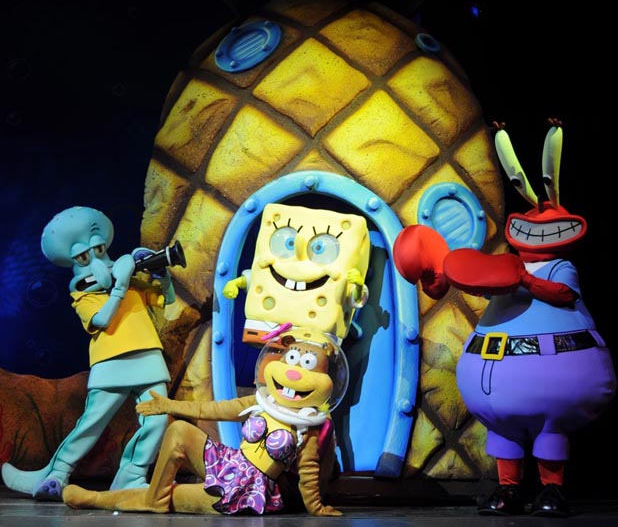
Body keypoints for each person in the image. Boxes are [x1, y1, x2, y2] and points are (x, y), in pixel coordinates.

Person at [394, 121, 617, 517]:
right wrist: (450, 272)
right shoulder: (507, 267)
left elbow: (563, 295)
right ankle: (509, 489)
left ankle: (551, 489)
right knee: (503, 435)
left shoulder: (559, 268)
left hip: (554, 373)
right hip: (494, 375)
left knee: (550, 434)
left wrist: (523, 279)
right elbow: (482, 282)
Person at [62, 326, 348, 516]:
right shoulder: (260, 403)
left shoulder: (308, 427)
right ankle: (151, 500)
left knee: (175, 496)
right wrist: (168, 405)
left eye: (308, 365)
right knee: (179, 430)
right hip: (228, 464)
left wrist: (317, 508)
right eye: (292, 359)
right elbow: (210, 409)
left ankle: (96, 499)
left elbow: (309, 475)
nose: (295, 373)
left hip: (247, 492)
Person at [1, 206, 178, 500]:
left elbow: (166, 299)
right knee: (92, 424)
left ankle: (132, 475)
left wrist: (162, 275)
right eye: (84, 256)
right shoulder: (82, 295)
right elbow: (102, 320)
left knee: (157, 419)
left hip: (148, 357)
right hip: (111, 362)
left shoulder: (131, 281)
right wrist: (119, 287)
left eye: (98, 250)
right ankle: (55, 475)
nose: (96, 260)